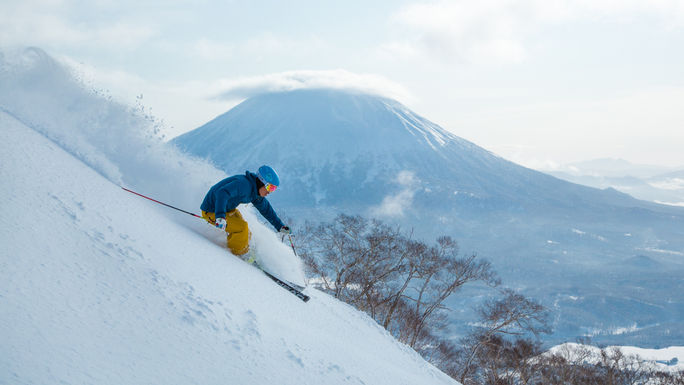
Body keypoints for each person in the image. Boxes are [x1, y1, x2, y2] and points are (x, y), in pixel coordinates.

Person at [200, 165, 290, 256]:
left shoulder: (255, 192)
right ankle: (236, 255)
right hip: (212, 211)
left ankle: (245, 252)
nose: (270, 192)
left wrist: (280, 226)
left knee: (247, 233)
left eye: (273, 189)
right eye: (270, 187)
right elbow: (222, 192)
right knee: (242, 228)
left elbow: (266, 210)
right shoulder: (243, 185)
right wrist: (220, 216)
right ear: (262, 182)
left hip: (227, 210)